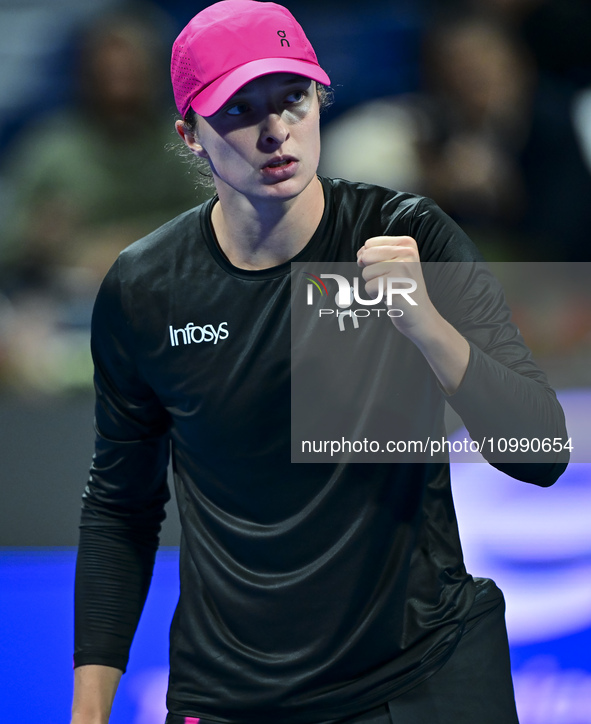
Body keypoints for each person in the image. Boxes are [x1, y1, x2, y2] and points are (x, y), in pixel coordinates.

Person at [71, 2, 569, 723]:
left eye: (292, 100)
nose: (275, 131)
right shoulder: (145, 289)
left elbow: (540, 451)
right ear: (189, 134)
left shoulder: (406, 233)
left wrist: (425, 325)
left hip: (422, 674)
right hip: (235, 695)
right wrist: (88, 714)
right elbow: (120, 507)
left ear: (319, 102)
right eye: (239, 110)